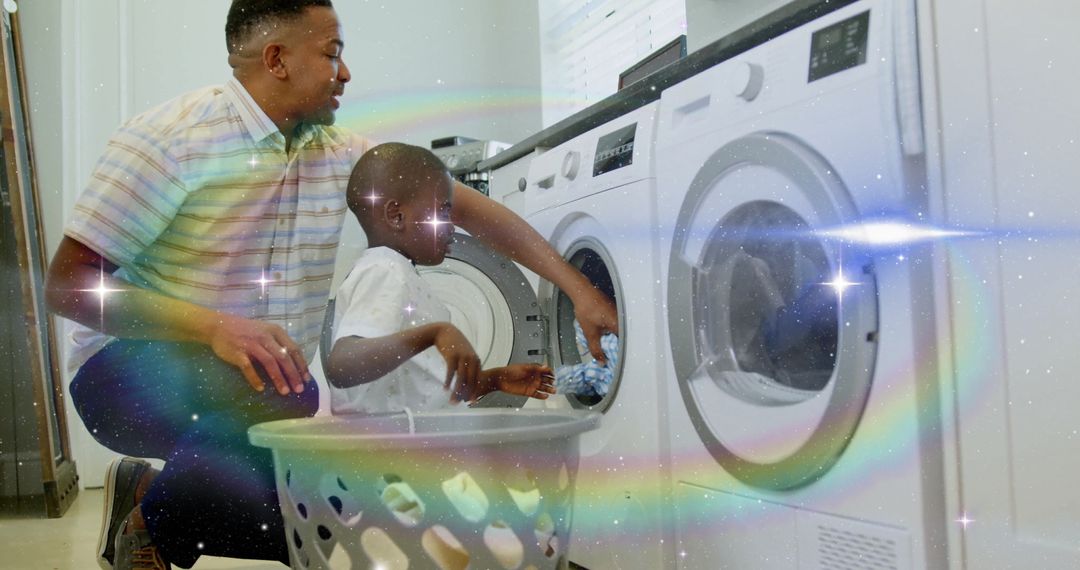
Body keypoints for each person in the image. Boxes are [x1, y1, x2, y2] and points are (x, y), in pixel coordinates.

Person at [43, 1, 617, 568]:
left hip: (256, 385)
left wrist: (580, 289)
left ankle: (151, 496)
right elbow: (67, 286)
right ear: (277, 59)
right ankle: (151, 523)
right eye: (332, 54)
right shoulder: (172, 139)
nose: (345, 73)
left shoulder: (339, 155)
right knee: (288, 393)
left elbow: (472, 211)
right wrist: (215, 328)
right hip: (122, 376)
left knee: (334, 516)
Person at [326, 142, 556, 412]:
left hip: (412, 435)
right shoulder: (385, 271)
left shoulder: (398, 272)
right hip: (391, 439)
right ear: (396, 216)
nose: (451, 225)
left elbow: (421, 386)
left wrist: (493, 380)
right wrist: (434, 333)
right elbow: (342, 365)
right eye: (444, 212)